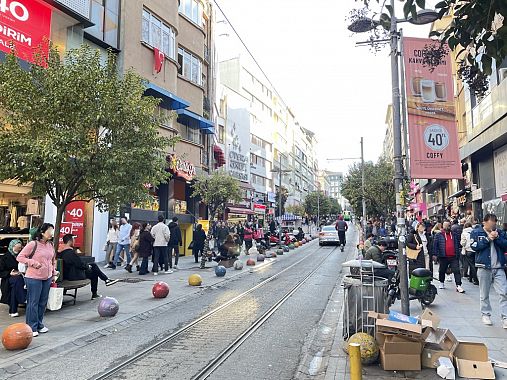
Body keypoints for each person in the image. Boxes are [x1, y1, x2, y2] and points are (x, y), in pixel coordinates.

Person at [16, 223, 58, 337]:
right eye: (50, 230)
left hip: (47, 277)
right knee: (33, 302)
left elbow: (52, 260)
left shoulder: (50, 245)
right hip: (33, 277)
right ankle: (31, 327)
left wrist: (53, 272)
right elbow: (20, 257)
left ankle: (39, 324)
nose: (51, 233)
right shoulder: (33, 244)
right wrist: (33, 263)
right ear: (42, 232)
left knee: (42, 302)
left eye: (52, 231)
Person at [470, 214, 507, 327]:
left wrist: (497, 238)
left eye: (494, 224)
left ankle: (505, 317)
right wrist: (488, 239)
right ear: (484, 223)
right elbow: (474, 247)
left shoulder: (499, 232)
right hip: (483, 267)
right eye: (491, 224)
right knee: (484, 293)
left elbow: (505, 245)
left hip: (499, 267)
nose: (493, 226)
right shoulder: (476, 232)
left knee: (504, 293)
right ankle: (486, 314)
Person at [59, 234, 118, 299]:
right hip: (73, 275)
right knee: (94, 272)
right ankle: (96, 292)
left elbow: (77, 263)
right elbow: (79, 264)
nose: (74, 241)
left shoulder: (62, 252)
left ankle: (106, 279)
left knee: (93, 265)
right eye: (73, 239)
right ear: (70, 241)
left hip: (68, 274)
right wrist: (87, 266)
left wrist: (87, 266)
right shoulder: (70, 253)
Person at [434, 221, 465, 293]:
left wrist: (457, 252)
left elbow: (457, 243)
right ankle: (441, 282)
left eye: (448, 226)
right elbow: (435, 245)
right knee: (442, 270)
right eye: (446, 226)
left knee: (456, 271)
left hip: (453, 256)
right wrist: (435, 254)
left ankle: (458, 285)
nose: (447, 227)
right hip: (443, 256)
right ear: (443, 226)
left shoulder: (454, 234)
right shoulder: (439, 235)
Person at [0, 239, 26, 317]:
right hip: (8, 278)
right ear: (12, 247)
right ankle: (22, 298)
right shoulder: (4, 258)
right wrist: (9, 273)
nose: (19, 249)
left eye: (20, 248)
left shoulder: (21, 256)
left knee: (15, 287)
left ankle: (13, 310)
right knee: (17, 280)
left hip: (20, 277)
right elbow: (1, 272)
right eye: (17, 248)